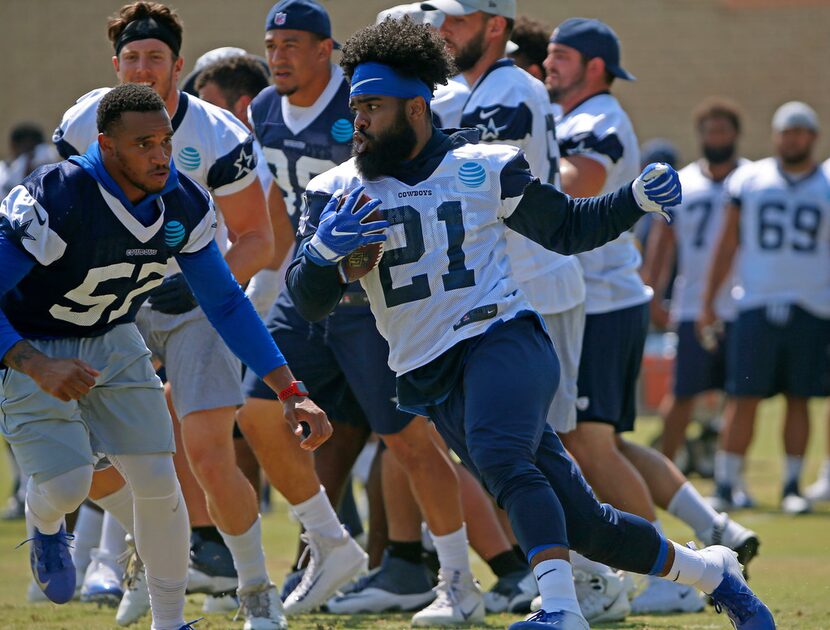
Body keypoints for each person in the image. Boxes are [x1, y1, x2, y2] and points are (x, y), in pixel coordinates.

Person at [285, 17, 774, 630]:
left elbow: (567, 226)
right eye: (355, 105)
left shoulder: (482, 164)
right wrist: (321, 257)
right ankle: (712, 573)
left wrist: (636, 201)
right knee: (585, 525)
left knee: (502, 456)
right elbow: (308, 304)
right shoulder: (335, 191)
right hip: (427, 369)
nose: (358, 120)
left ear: (415, 108)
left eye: (373, 106)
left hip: (502, 337)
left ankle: (559, 609)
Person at [1, 83, 329, 630]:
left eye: (166, 142)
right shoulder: (57, 198)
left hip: (112, 334)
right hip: (31, 341)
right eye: (144, 144)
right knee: (69, 485)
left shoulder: (182, 202)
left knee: (158, 479)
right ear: (107, 146)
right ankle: (44, 518)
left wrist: (290, 390)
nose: (160, 156)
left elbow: (224, 301)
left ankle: (170, 621)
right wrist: (36, 363)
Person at [242, 2, 481, 623]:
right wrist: (272, 271)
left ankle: (459, 577)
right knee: (258, 411)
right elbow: (276, 198)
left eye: (292, 43)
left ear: (327, 50)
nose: (278, 56)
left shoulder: (369, 99)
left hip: (370, 299)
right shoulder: (265, 108)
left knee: (409, 443)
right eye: (271, 44)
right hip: (308, 285)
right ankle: (331, 543)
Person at [51, 2, 287, 625]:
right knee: (82, 460)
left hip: (194, 301)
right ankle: (150, 545)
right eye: (131, 57)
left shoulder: (218, 134)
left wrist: (201, 288)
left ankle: (258, 592)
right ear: (115, 65)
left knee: (207, 449)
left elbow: (259, 239)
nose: (143, 68)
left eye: (155, 57)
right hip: (110, 302)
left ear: (179, 65)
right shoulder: (83, 121)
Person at [423, 0, 595, 617]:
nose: (444, 32)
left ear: (496, 25)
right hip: (502, 290)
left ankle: (589, 578)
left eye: (459, 21)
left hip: (534, 284)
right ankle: (569, 577)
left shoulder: (509, 89)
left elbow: (469, 176)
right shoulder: (474, 85)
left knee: (543, 450)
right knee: (509, 450)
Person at [699, 101, 830, 515]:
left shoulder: (826, 182)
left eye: (800, 131)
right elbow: (727, 243)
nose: (793, 139)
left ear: (813, 136)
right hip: (755, 300)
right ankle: (726, 484)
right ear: (775, 136)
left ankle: (792, 484)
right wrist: (709, 300)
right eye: (786, 131)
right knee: (743, 395)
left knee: (800, 397)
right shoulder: (750, 178)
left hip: (812, 302)